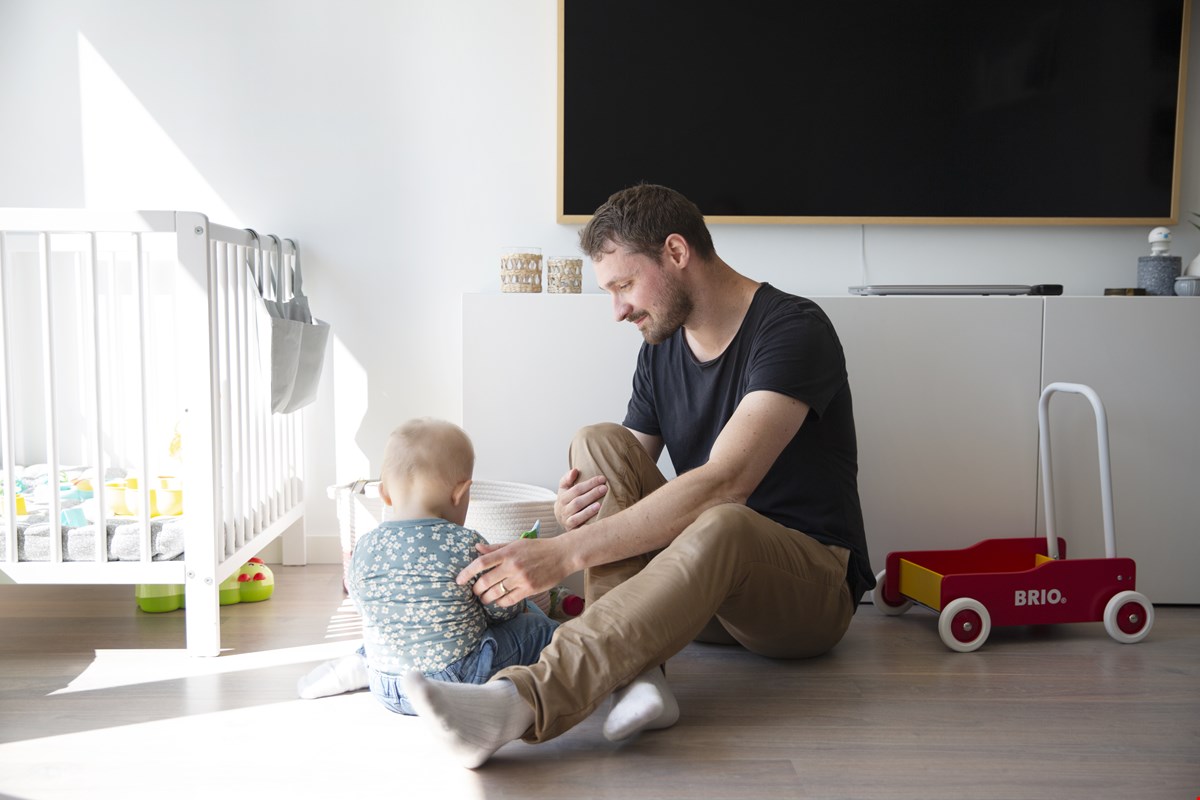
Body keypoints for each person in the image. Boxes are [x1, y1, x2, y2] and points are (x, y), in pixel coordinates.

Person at [403, 183, 875, 768]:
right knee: (598, 441)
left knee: (726, 520)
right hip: (701, 591)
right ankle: (637, 677)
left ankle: (521, 701)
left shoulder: (793, 329)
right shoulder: (660, 347)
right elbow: (622, 471)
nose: (618, 309)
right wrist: (568, 509)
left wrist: (565, 553)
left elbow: (726, 481)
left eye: (624, 285)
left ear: (676, 252)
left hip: (806, 596)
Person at [296, 418, 559, 713]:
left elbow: (366, 606)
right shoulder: (466, 544)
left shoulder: (366, 546)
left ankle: (360, 665)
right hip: (454, 681)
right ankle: (575, 655)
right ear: (461, 493)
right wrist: (520, 605)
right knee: (536, 628)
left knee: (392, 630)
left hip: (386, 684)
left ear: (384, 493)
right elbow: (499, 606)